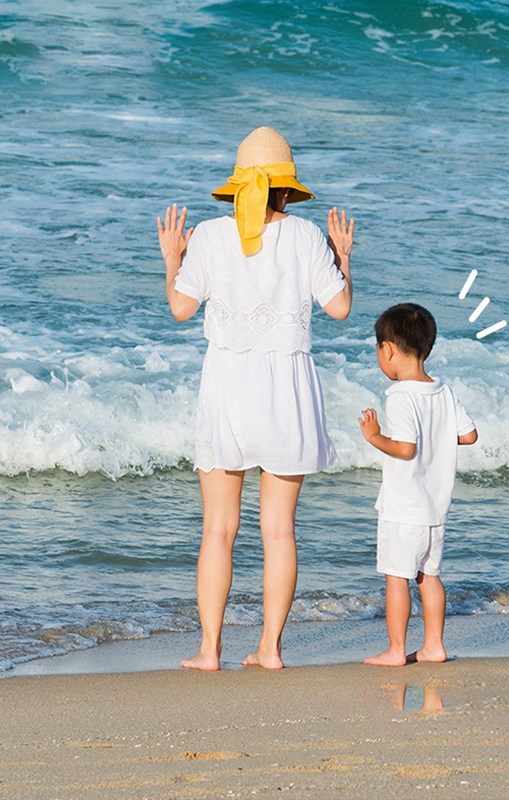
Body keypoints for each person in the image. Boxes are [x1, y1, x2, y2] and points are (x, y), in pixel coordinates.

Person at [157, 126, 354, 671]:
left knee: (219, 528)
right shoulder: (308, 236)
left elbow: (179, 309)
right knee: (279, 530)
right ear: (287, 192)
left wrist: (173, 258)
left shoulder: (213, 238)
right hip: (287, 391)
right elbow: (339, 309)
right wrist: (342, 257)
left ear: (237, 185)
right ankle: (269, 649)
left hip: (227, 388)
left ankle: (209, 650)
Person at [358, 303, 477, 666]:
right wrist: (438, 439)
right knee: (430, 577)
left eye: (379, 350)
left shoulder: (400, 396)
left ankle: (396, 650)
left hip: (404, 507)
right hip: (436, 510)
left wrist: (375, 437)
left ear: (388, 349)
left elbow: (405, 448)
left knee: (397, 579)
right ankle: (434, 646)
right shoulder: (443, 391)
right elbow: (469, 436)